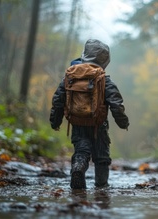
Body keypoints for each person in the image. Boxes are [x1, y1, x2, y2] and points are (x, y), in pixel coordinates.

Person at [50, 39, 129, 189]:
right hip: (98, 124)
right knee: (102, 156)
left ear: (84, 55)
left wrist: (55, 121)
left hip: (77, 122)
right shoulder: (104, 79)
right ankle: (101, 186)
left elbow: (58, 100)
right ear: (105, 60)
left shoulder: (70, 76)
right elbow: (116, 103)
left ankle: (78, 168)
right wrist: (123, 122)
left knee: (81, 150)